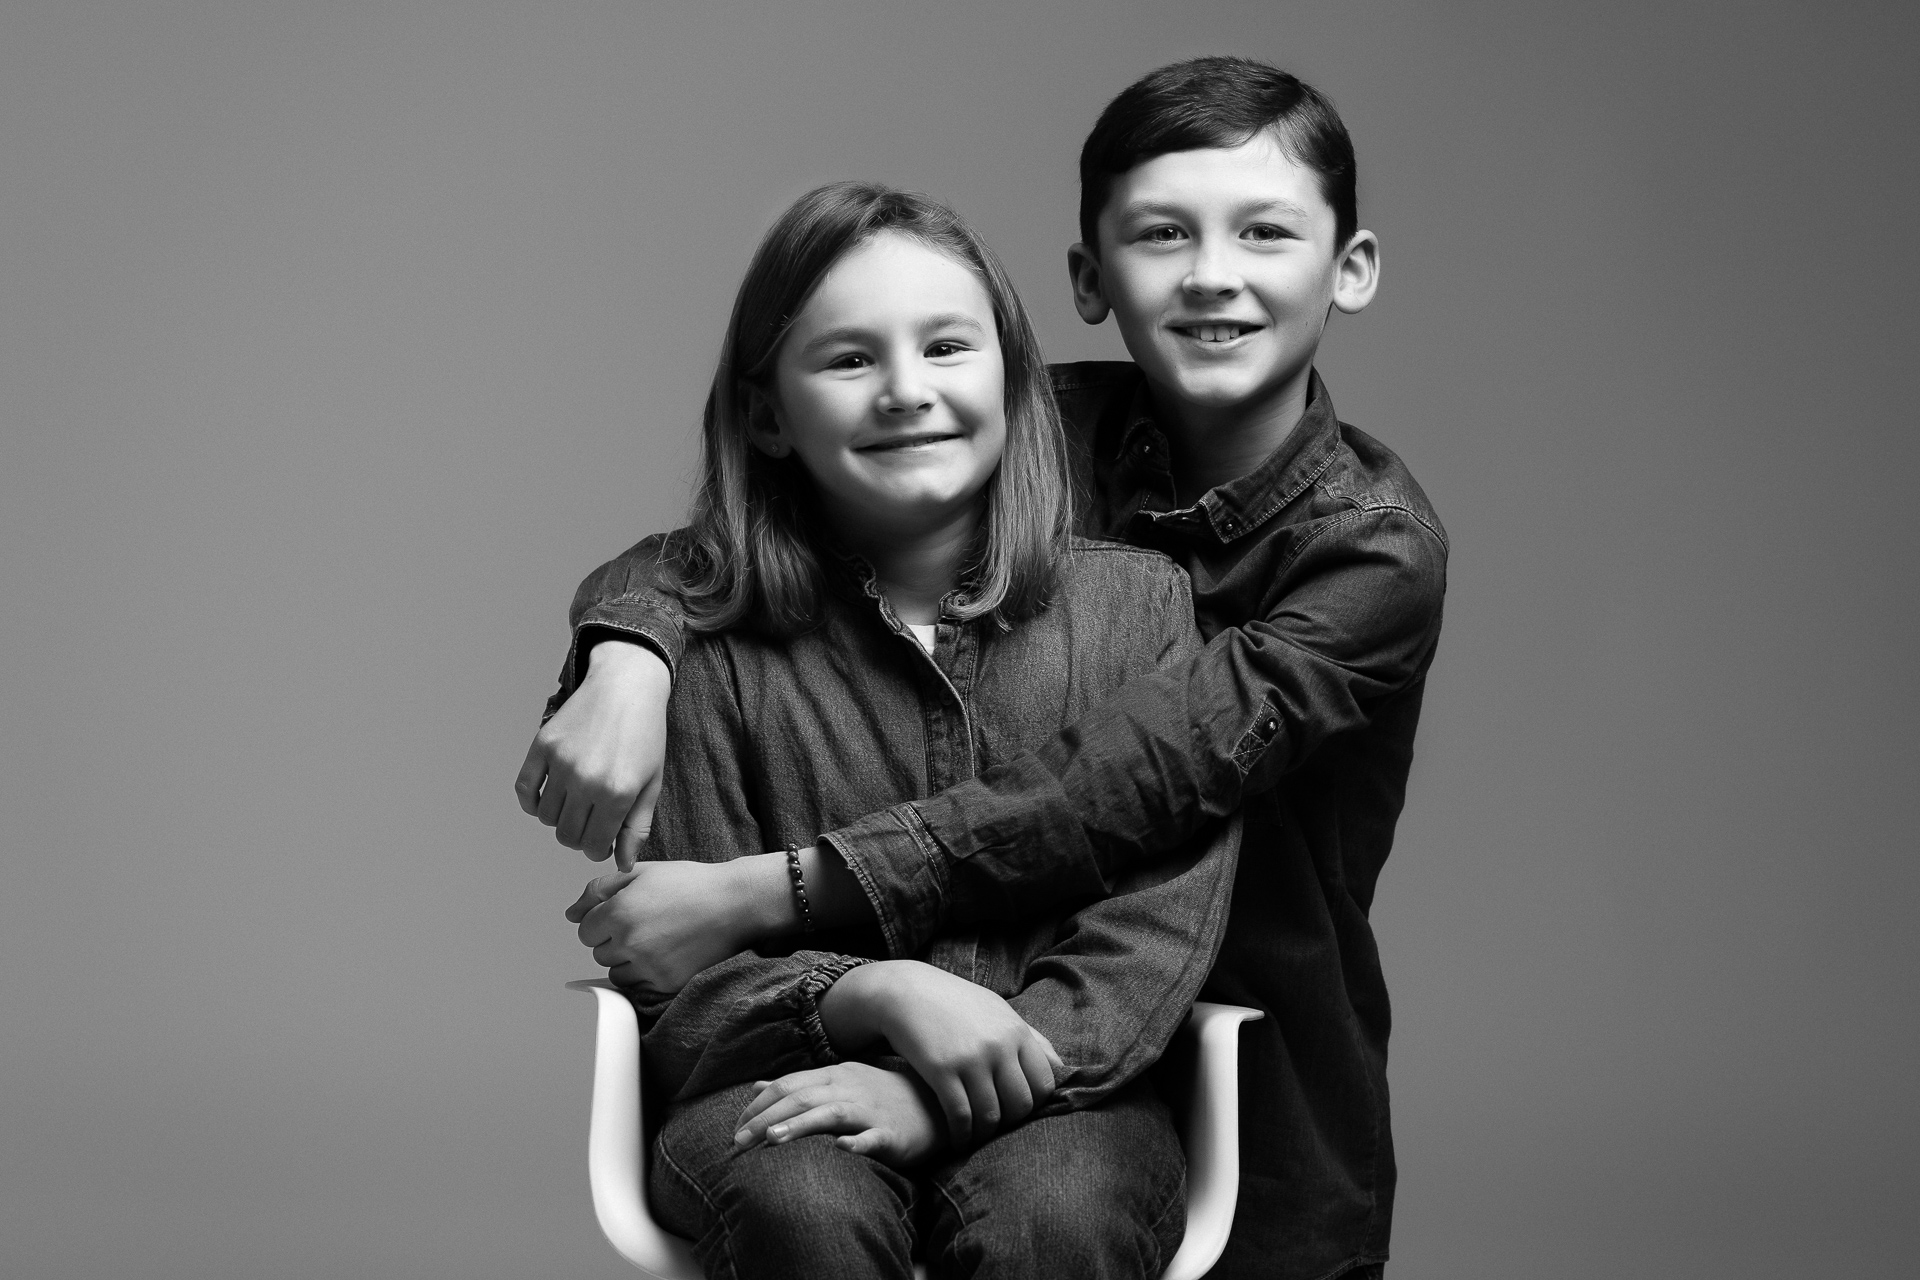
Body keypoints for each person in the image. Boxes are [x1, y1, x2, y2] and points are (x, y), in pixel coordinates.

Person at [524, 57, 1447, 1280]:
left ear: (1351, 266)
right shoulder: (999, 413)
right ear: (1087, 278)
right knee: (817, 1202)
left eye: (1265, 230)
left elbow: (1119, 785)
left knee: (1077, 1217)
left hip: (1228, 1042)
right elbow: (742, 532)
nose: (1214, 273)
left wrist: (770, 891)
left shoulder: (1369, 547)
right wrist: (633, 647)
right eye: (1163, 233)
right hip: (917, 1043)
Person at [561, 180, 1239, 1280]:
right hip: (780, 1087)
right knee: (802, 1199)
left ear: (1017, 385)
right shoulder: (708, 650)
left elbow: (1155, 930)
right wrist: (863, 993)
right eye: (847, 359)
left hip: (1069, 1090)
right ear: (769, 414)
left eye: (948, 347)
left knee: (1058, 1207)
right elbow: (680, 990)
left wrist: (945, 1089)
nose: (906, 392)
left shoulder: (1141, 612)